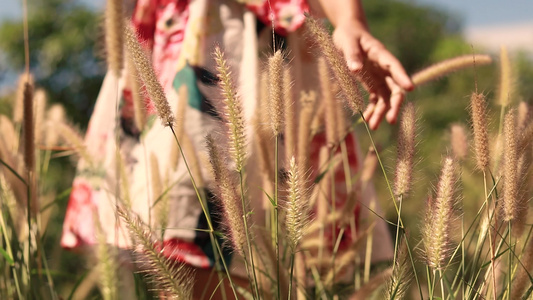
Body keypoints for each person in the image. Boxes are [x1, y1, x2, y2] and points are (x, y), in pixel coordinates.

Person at [61, 0, 414, 298]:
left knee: (259, 249)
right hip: (169, 55)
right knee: (184, 238)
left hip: (253, 52)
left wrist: (350, 21)